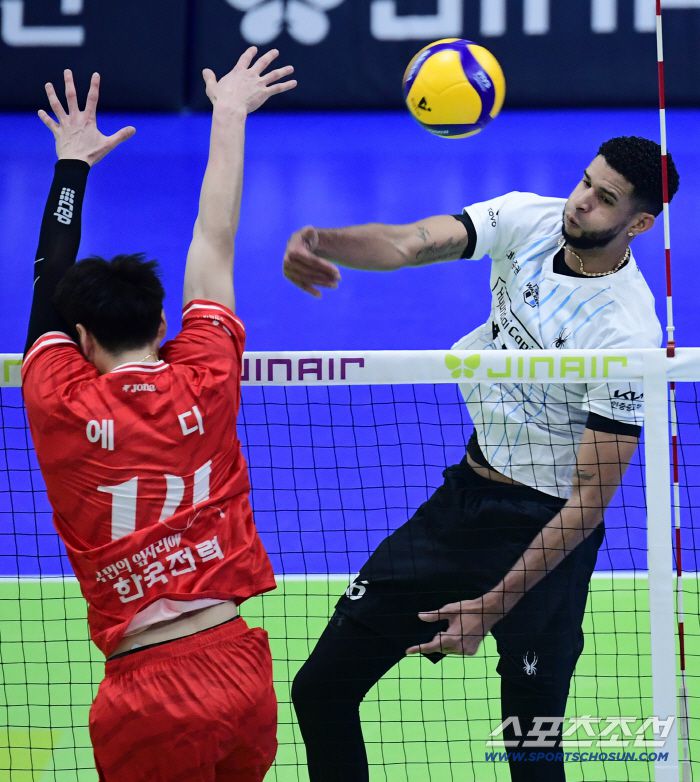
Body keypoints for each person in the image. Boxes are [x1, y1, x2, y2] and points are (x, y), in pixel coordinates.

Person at [284, 136, 680, 781]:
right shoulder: (528, 219)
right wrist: (323, 241)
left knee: (531, 748)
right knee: (321, 690)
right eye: (584, 181)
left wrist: (491, 606)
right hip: (465, 502)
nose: (581, 202)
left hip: (548, 530)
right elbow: (410, 242)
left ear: (639, 224)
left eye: (605, 198)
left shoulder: (625, 333)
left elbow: (588, 503)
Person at [21, 49, 296, 782]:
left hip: (149, 696)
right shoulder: (207, 373)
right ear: (162, 322)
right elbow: (214, 240)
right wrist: (229, 113)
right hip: (242, 672)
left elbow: (49, 282)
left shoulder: (58, 399)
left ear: (81, 339)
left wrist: (72, 167)